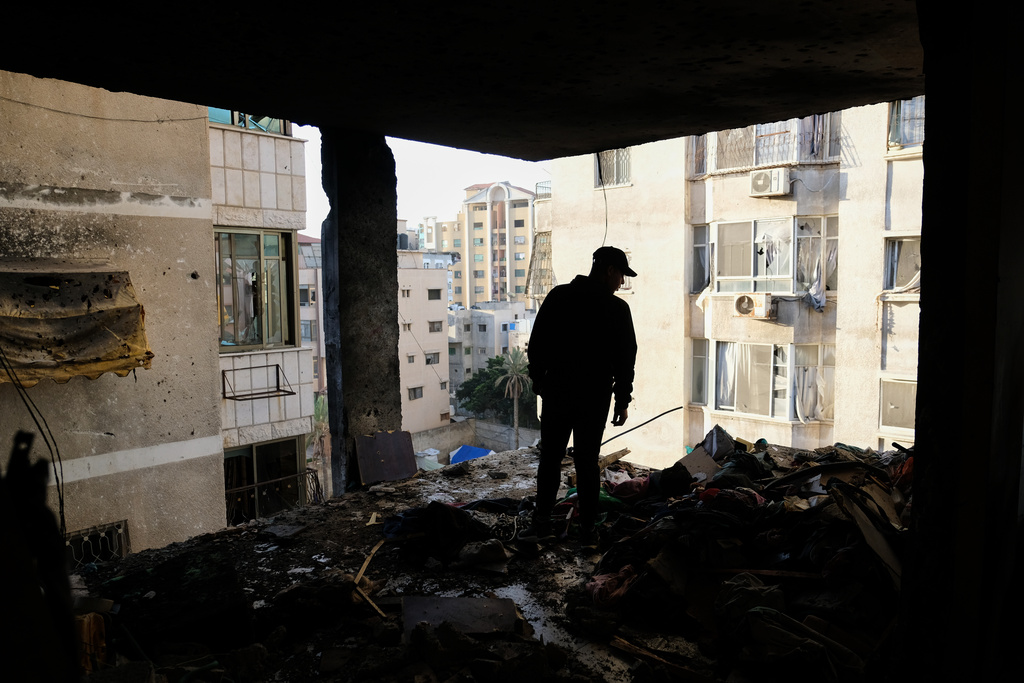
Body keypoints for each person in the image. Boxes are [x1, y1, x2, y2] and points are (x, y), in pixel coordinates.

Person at [519, 246, 638, 545]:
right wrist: (622, 400)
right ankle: (588, 531)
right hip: (594, 398)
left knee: (550, 459)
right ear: (609, 270)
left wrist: (541, 384)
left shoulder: (559, 296)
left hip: (558, 393)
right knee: (587, 464)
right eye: (621, 274)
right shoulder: (617, 309)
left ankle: (542, 524)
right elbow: (626, 360)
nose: (621, 282)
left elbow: (537, 346)